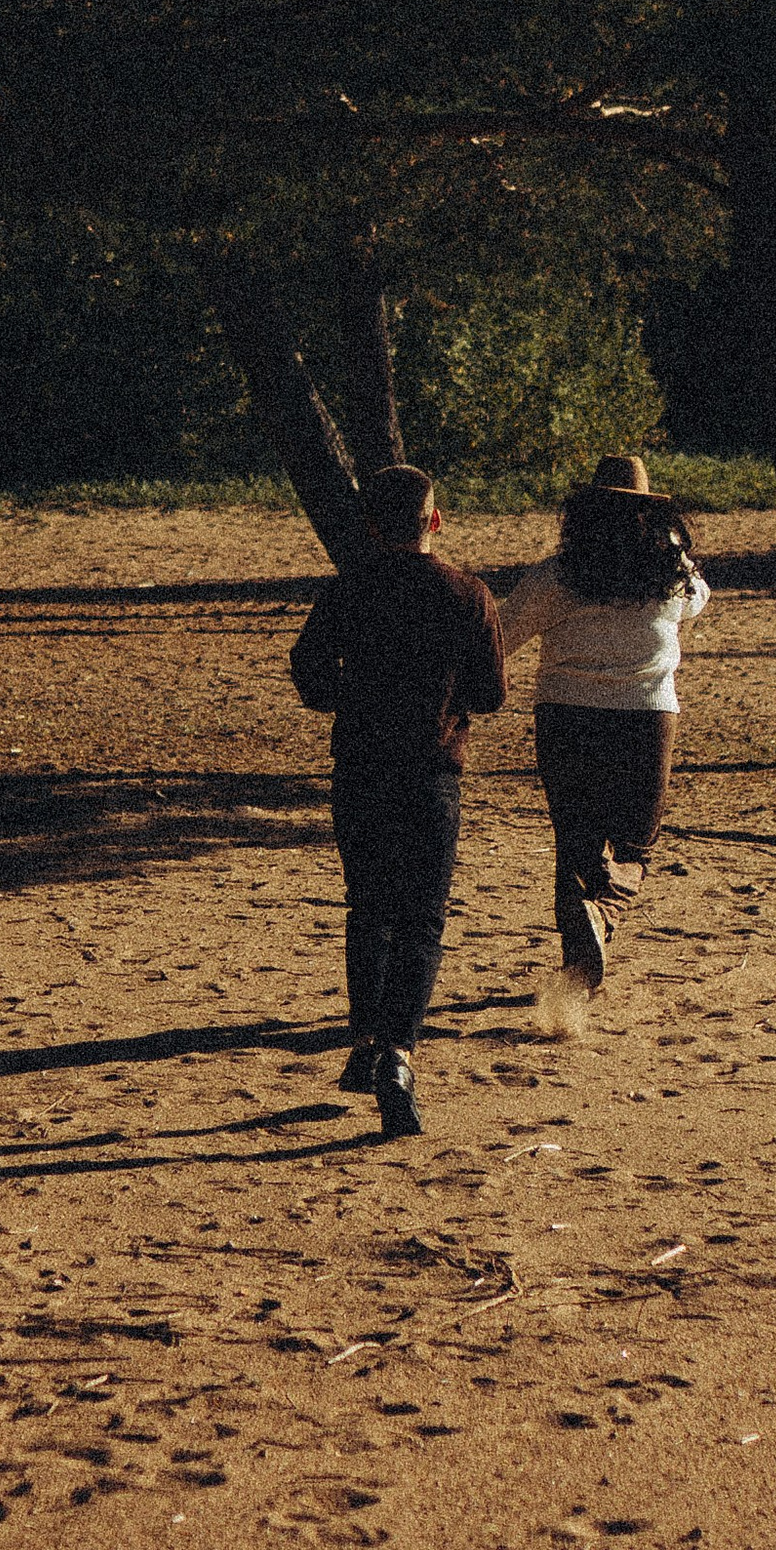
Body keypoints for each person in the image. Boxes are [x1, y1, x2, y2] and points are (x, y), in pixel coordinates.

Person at [289, 463, 506, 1141]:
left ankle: (364, 1041)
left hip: (360, 767)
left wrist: (348, 701)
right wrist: (450, 707)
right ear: (433, 520)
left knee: (368, 909)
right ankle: (400, 1052)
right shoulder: (467, 595)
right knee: (423, 918)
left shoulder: (348, 591)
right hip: (431, 771)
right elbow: (492, 692)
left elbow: (308, 668)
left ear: (373, 525)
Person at [496, 454, 709, 992]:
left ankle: (577, 962)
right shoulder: (671, 575)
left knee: (577, 841)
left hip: (566, 716)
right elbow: (699, 600)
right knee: (636, 844)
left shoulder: (557, 577)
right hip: (646, 716)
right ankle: (604, 915)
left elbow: (499, 639)